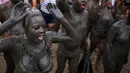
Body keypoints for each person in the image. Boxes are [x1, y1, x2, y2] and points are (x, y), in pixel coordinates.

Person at [0, 2, 77, 73]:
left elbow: (72, 36)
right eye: (36, 27)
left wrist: (61, 19)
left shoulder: (47, 37)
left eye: (43, 26)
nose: (42, 30)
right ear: (25, 28)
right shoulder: (15, 42)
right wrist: (10, 22)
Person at [55, 0, 88, 73]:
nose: (84, 1)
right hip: (63, 49)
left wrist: (85, 45)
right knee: (60, 69)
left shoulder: (86, 14)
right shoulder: (67, 10)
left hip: (76, 51)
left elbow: (84, 31)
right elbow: (60, 1)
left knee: (74, 70)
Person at [103, 0, 130, 73]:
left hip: (121, 59)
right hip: (112, 58)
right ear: (127, 11)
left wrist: (126, 56)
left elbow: (128, 44)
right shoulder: (117, 26)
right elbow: (107, 43)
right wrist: (109, 60)